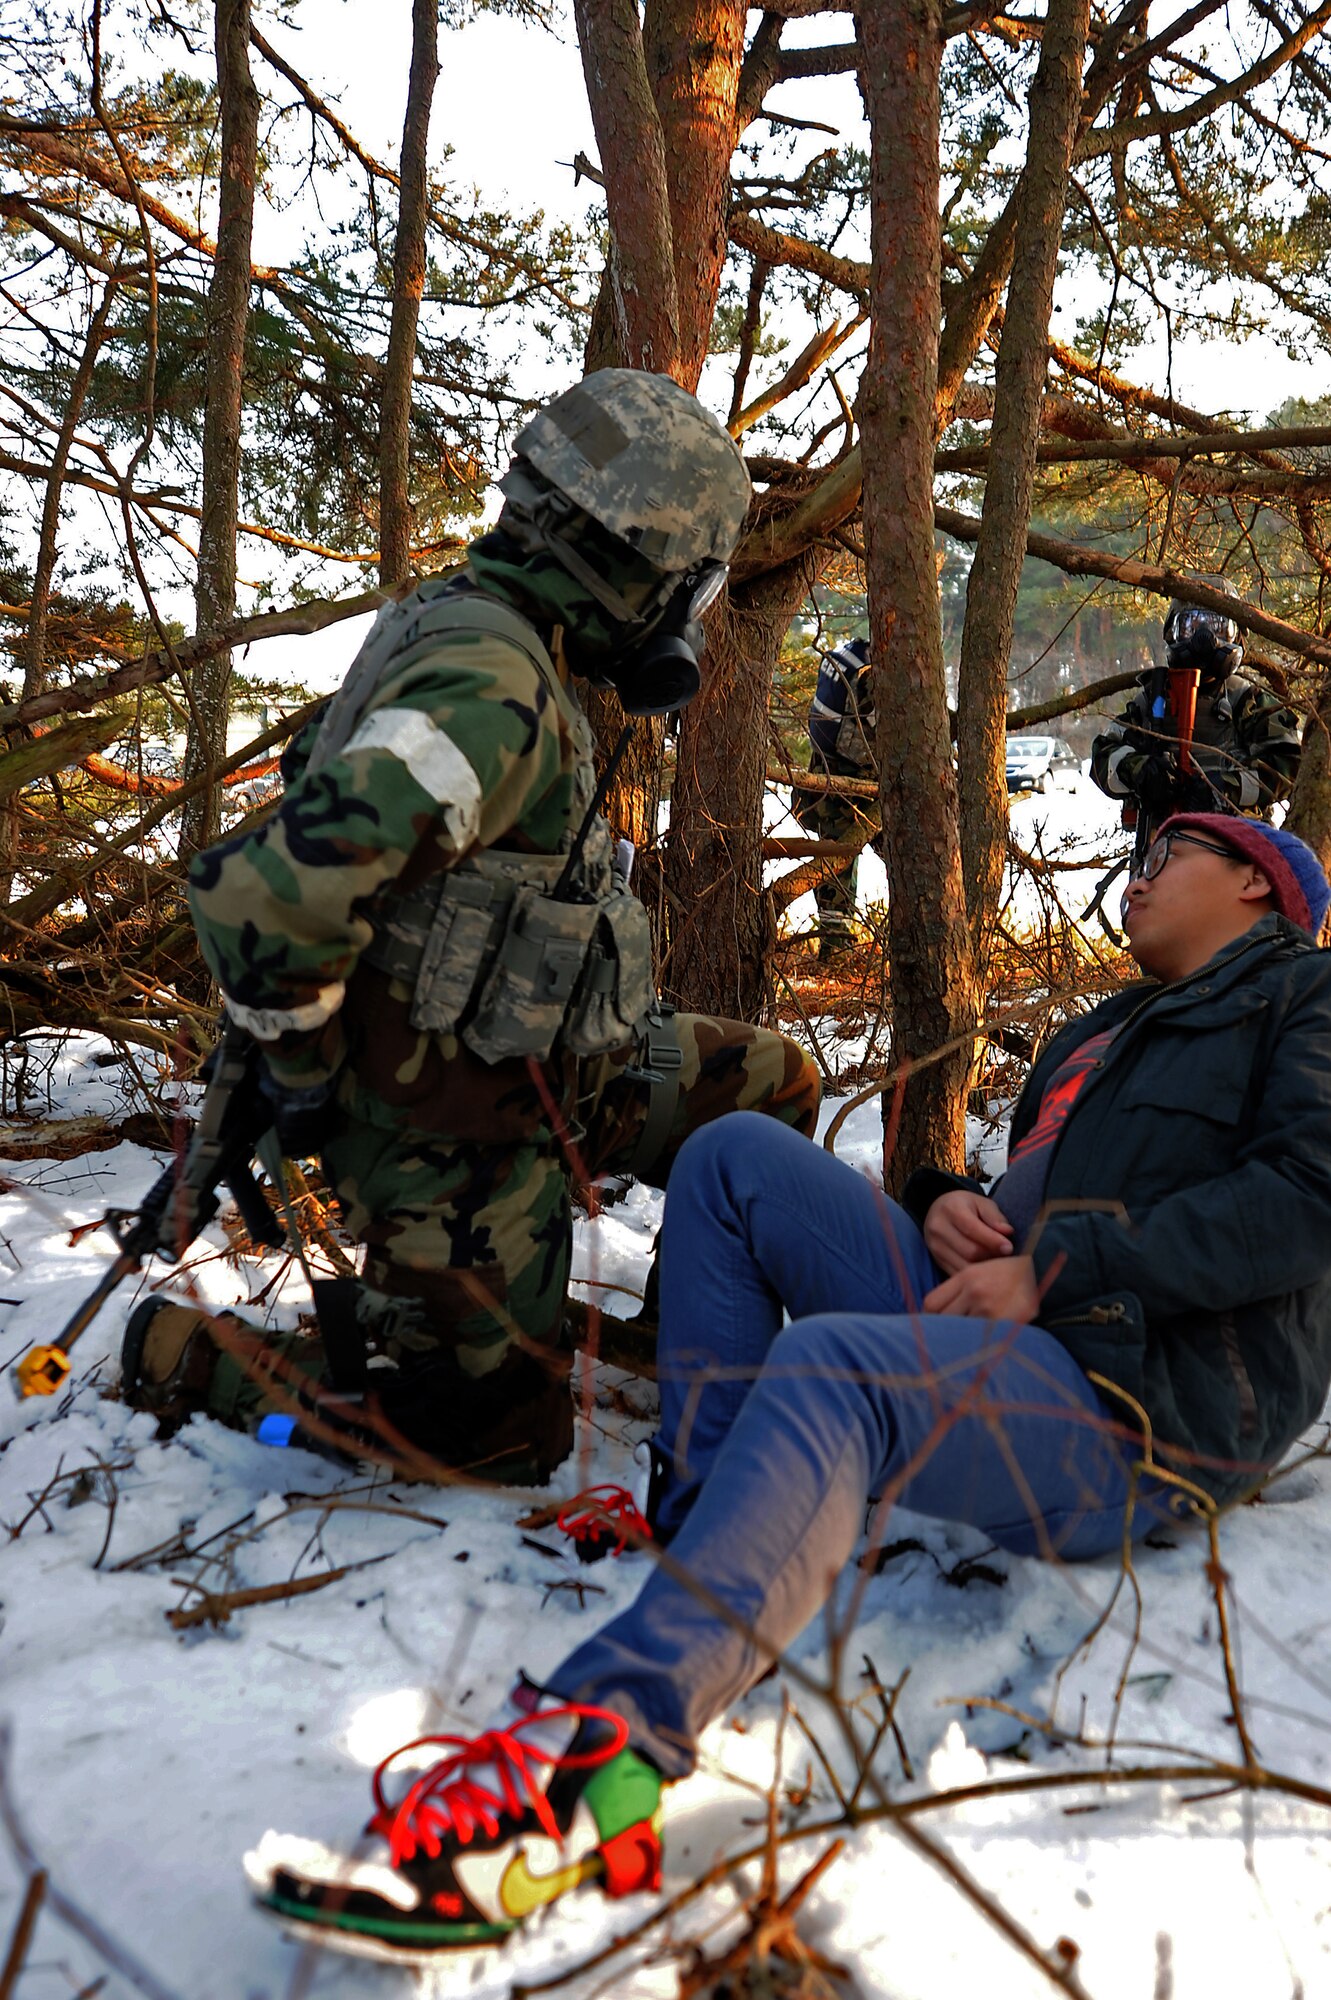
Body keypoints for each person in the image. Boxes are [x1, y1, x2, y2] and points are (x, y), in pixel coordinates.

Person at [250, 812, 1331, 1958]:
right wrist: (937, 1198)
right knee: (731, 1160)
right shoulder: (1097, 1034)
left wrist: (1057, 1267)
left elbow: (1306, 1199)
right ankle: (709, 1519)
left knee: (832, 1367)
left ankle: (591, 1768)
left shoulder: (1302, 999)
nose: (1138, 874)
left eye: (1167, 852)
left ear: (1259, 884)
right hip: (1017, 1322)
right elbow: (1044, 1200)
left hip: (1134, 1402)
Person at [124, 370, 819, 1484]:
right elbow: (271, 892)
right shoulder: (488, 683)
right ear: (634, 568)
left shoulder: (488, 633)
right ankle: (186, 1354)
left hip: (545, 1071)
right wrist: (302, 1076)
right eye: (683, 587)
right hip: (442, 1135)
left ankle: (674, 1339)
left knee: (767, 1080)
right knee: (491, 1436)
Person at [1091, 578, 1301, 832]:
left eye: (1217, 627)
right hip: (1162, 846)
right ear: (1173, 632)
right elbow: (1102, 758)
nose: (1204, 639)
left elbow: (1288, 768)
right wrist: (1142, 771)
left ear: (1237, 637)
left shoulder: (1248, 701)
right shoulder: (1152, 699)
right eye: (1191, 626)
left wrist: (1224, 788)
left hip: (1237, 845)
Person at [790, 634, 881, 959]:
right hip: (850, 783)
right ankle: (836, 949)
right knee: (838, 864)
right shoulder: (873, 672)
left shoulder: (849, 653)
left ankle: (836, 944)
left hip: (826, 775)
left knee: (835, 863)